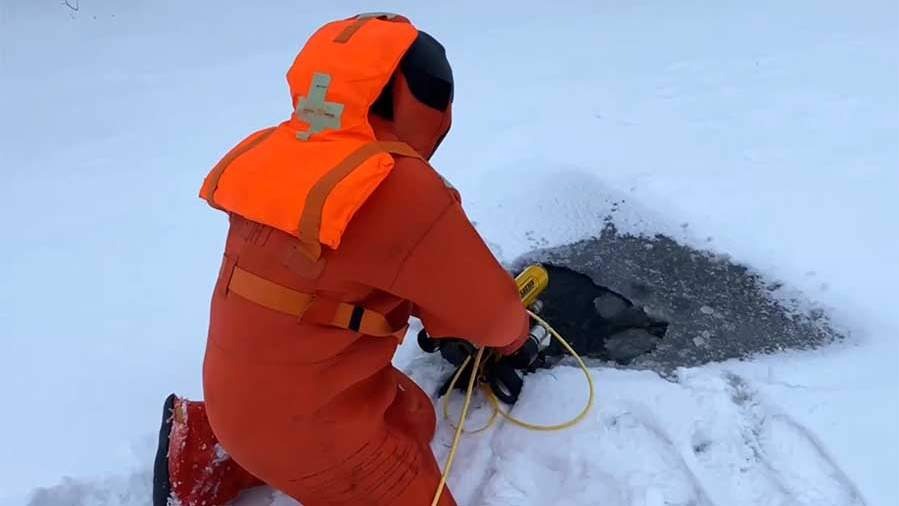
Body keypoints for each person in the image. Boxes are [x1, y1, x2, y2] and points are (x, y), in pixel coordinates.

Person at [153, 13, 531, 506]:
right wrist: (516, 336)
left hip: (236, 399)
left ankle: (210, 442)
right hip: (307, 433)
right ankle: (254, 457)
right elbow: (494, 319)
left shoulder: (281, 151)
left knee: (415, 416)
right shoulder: (398, 186)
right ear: (414, 97)